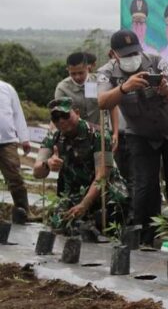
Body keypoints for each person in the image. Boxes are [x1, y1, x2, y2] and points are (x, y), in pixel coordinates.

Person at [97, 29, 168, 246]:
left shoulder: (158, 63)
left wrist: (164, 93)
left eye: (134, 53)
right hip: (140, 134)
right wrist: (124, 87)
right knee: (144, 185)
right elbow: (103, 102)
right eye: (126, 55)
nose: (132, 59)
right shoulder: (107, 73)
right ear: (114, 54)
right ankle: (145, 236)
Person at [33, 98, 129, 230]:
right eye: (56, 118)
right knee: (61, 225)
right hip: (74, 191)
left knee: (116, 209)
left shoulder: (99, 136)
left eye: (65, 115)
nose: (61, 121)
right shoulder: (53, 138)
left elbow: (102, 176)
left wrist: (85, 204)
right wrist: (47, 164)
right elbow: (37, 172)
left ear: (77, 113)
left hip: (104, 189)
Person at [55, 52, 120, 149]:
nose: (77, 77)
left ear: (88, 68)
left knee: (103, 164)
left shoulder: (101, 82)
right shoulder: (62, 88)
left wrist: (115, 133)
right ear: (68, 70)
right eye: (73, 73)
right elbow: (61, 118)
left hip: (101, 137)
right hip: (75, 140)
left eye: (81, 73)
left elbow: (112, 106)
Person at [0, 79, 32, 223]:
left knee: (15, 177)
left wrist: (24, 138)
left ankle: (23, 211)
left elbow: (17, 113)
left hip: (7, 140)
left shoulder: (7, 88)